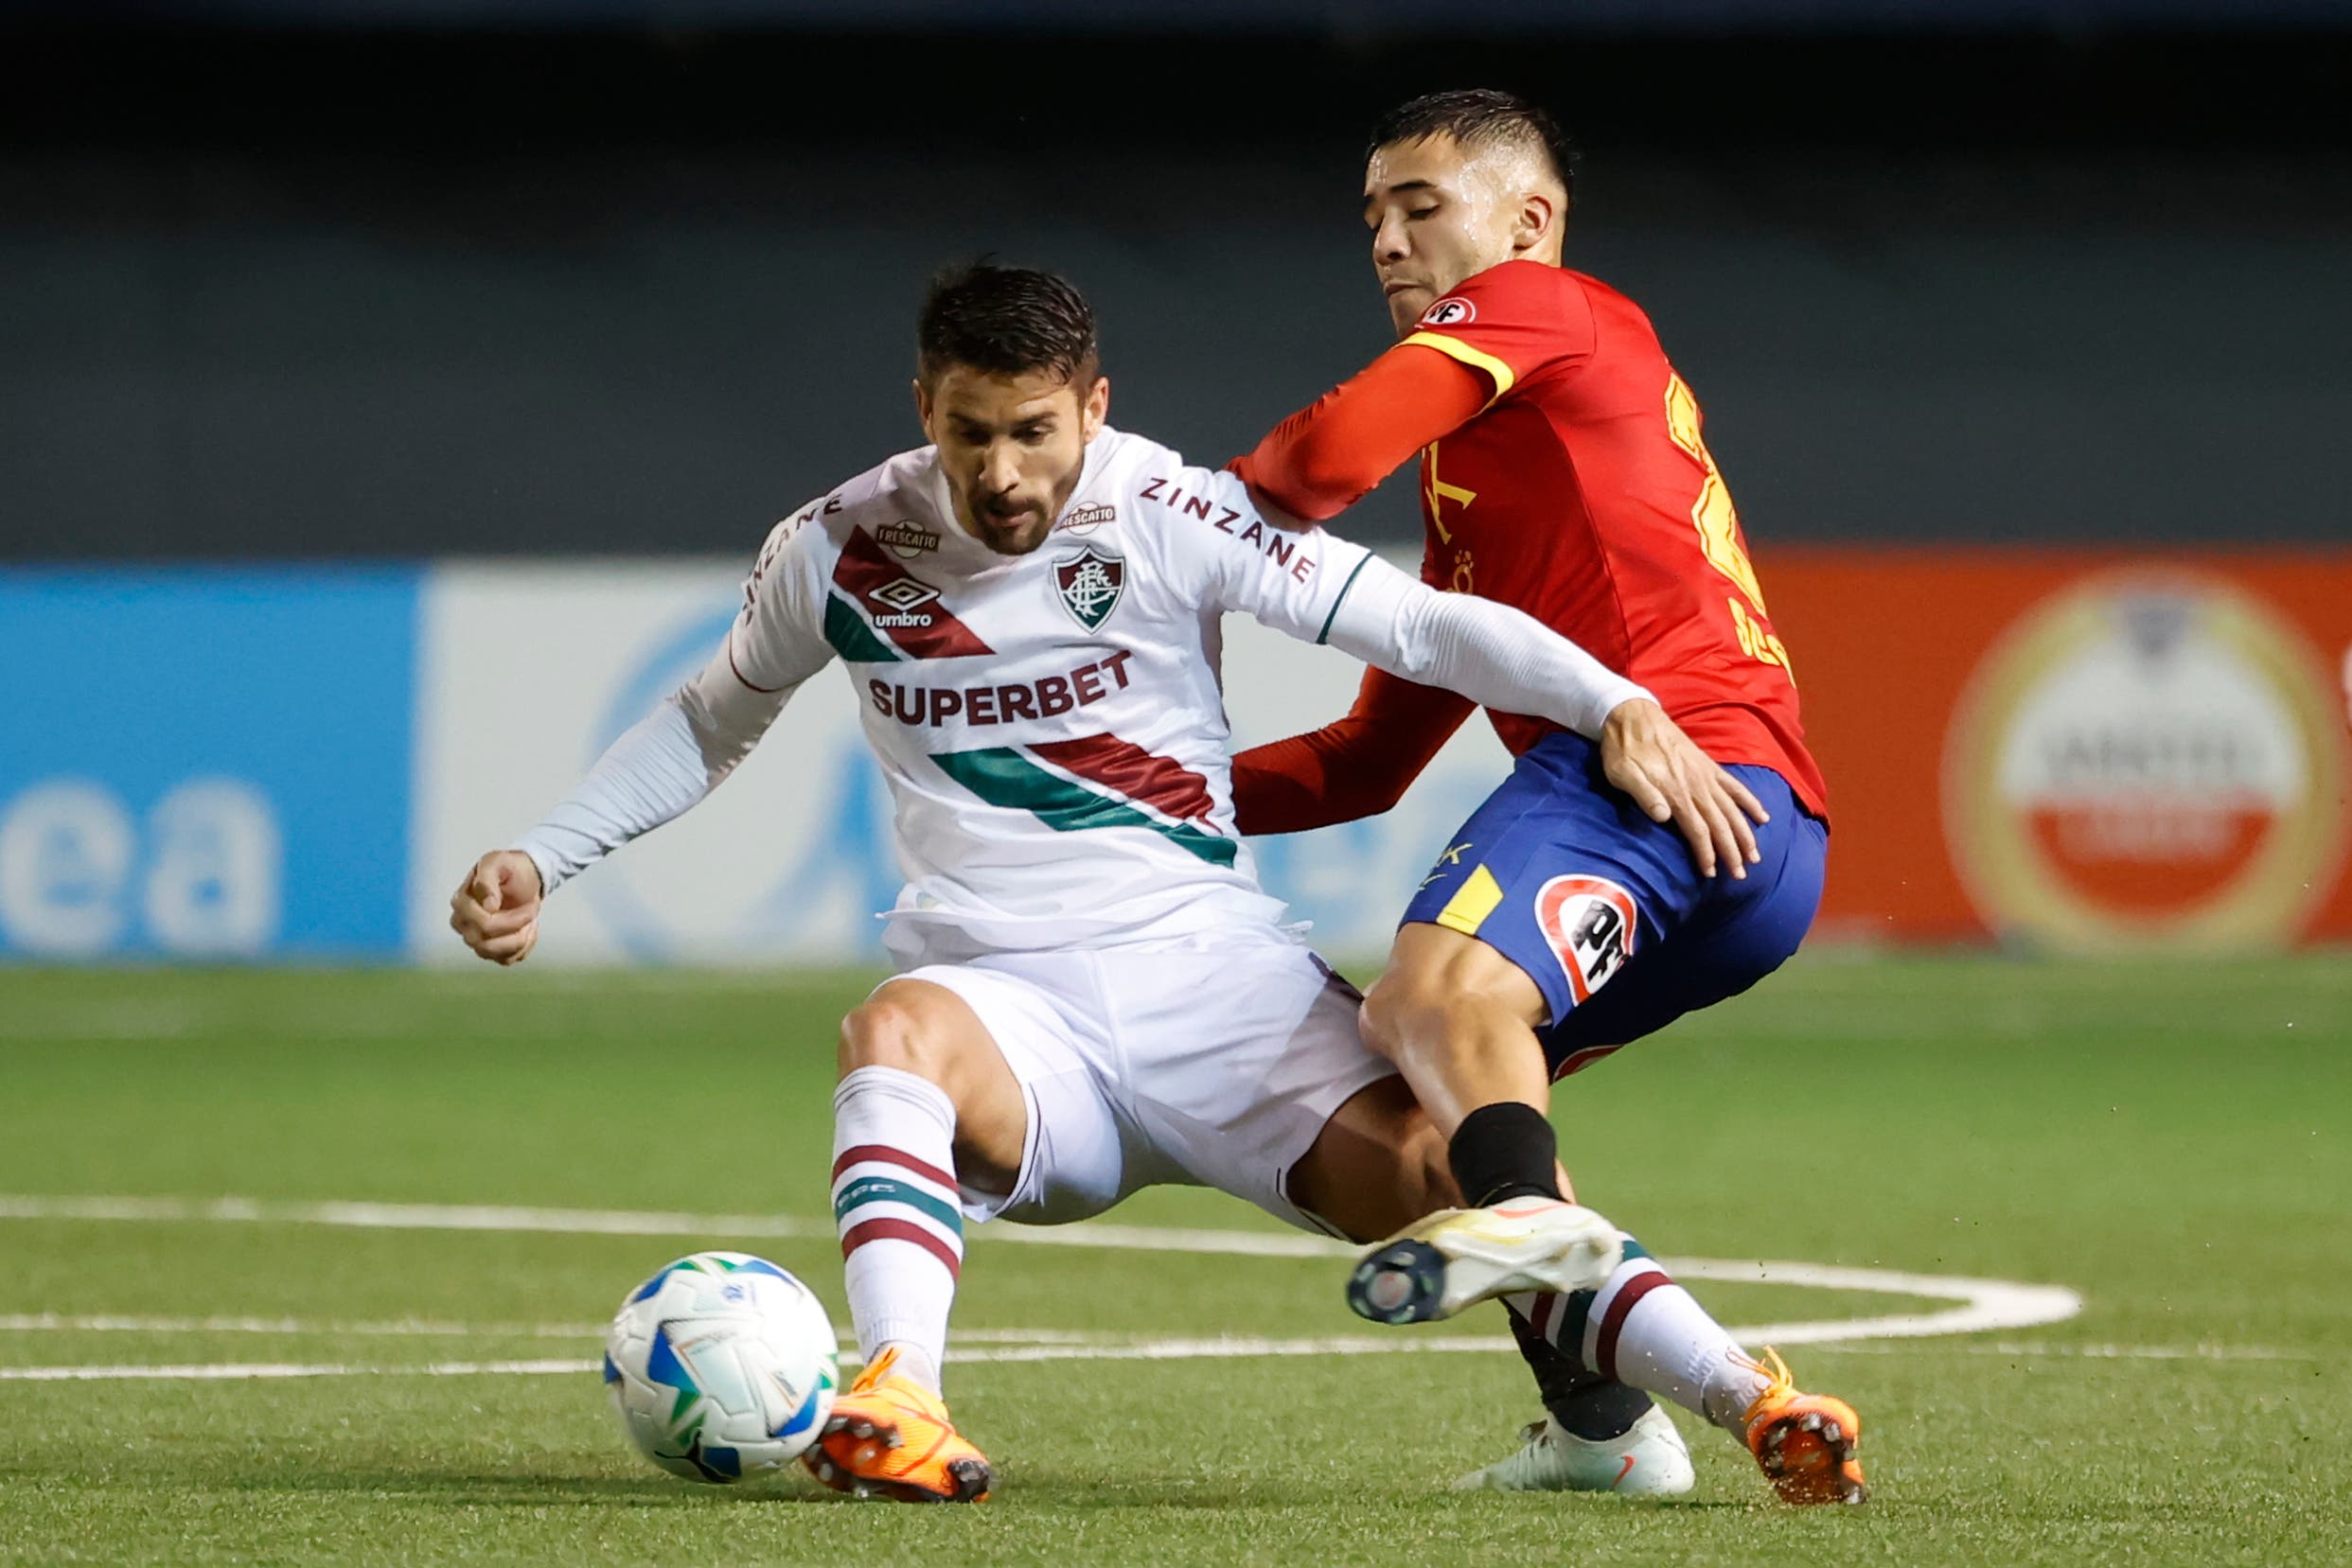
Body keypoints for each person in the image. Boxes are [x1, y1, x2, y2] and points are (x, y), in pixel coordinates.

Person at [448, 262, 1757, 1504]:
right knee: (890, 1030)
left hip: (1217, 990)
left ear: (1094, 405)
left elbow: (1412, 622)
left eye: (1032, 431)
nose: (1000, 472)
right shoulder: (838, 544)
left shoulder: (1169, 511)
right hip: (1011, 1017)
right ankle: (900, 1390)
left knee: (1447, 1168)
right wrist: (545, 852)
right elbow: (706, 717)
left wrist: (1610, 700)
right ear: (924, 406)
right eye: (968, 432)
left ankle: (1746, 1397)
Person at [1227, 90, 1865, 1505]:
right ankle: (1604, 1424)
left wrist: (1154, 520)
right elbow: (1363, 761)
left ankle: (1524, 1218)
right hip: (1749, 855)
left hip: (1676, 768)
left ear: (1527, 221)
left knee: (1422, 1000)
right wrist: (1132, 786)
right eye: (1371, 218)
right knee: (1412, 1113)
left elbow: (1311, 468)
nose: (1388, 242)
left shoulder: (1548, 307)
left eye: (1419, 207)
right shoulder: (1480, 480)